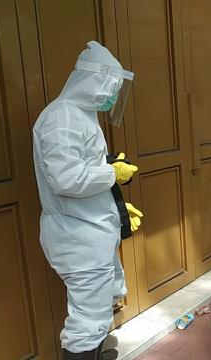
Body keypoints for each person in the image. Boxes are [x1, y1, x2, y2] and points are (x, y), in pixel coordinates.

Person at [32, 41, 143, 359]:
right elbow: (67, 180)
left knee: (95, 315)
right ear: (98, 79)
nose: (113, 96)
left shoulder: (80, 115)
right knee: (85, 322)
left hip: (88, 231)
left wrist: (117, 210)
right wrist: (113, 174)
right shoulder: (62, 118)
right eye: (113, 87)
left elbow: (84, 171)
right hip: (76, 238)